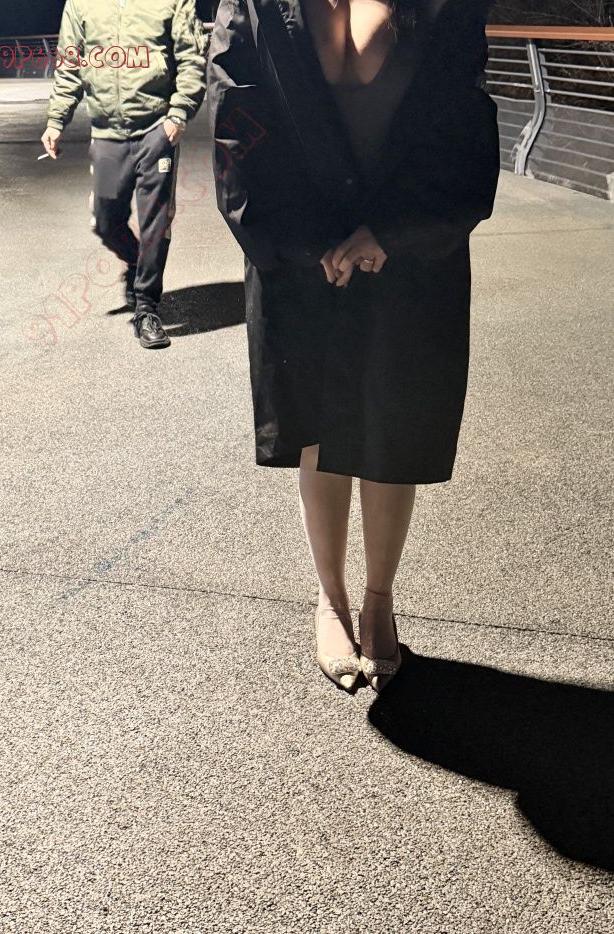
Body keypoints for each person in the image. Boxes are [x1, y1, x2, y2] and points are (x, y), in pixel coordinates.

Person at [207, 0, 500, 691]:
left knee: (395, 424)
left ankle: (379, 598)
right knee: (315, 423)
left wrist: (393, 233)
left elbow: (465, 126)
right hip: (299, 255)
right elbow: (235, 121)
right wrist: (298, 241)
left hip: (409, 255)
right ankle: (331, 597)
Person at [41, 0, 206, 349]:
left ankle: (146, 308)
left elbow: (191, 57)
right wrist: (57, 120)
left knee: (155, 224)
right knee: (106, 221)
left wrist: (178, 114)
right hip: (107, 134)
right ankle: (135, 261)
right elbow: (70, 64)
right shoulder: (81, 4)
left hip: (156, 131)